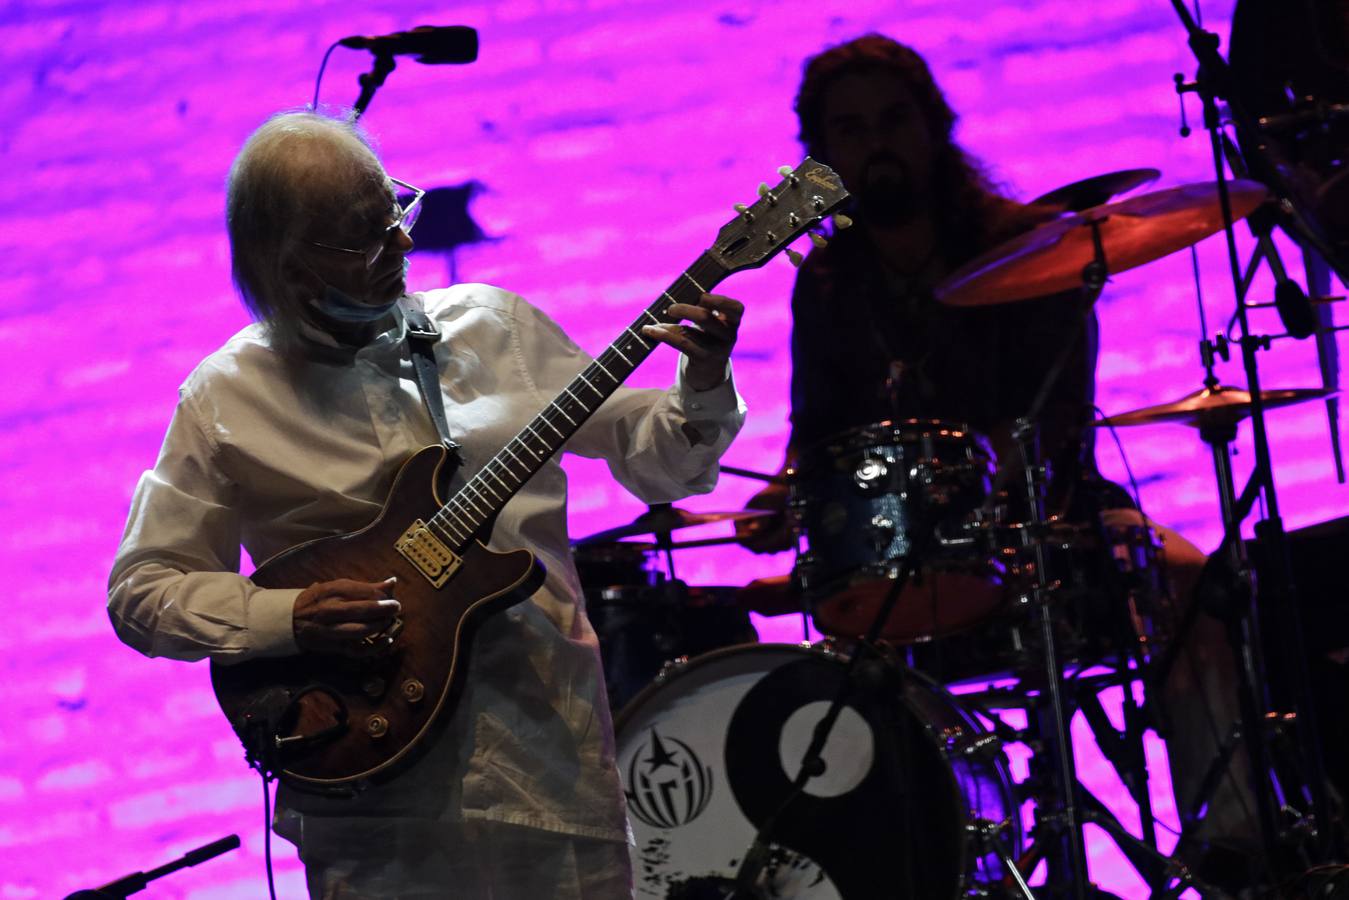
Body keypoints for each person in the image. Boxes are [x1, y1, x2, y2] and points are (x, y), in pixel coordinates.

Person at [107, 110, 747, 898]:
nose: (402, 245)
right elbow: (144, 593)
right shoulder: (225, 399)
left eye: (394, 213)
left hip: (549, 770)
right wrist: (288, 617)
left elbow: (661, 464)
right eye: (362, 238)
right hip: (371, 808)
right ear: (286, 262)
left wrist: (705, 380)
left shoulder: (495, 329)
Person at [738, 33, 1257, 888]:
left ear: (934, 126)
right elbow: (818, 428)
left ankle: (1232, 843)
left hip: (1055, 523)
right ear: (821, 153)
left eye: (893, 120)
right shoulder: (827, 279)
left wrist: (997, 486)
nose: (875, 143)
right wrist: (785, 496)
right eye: (851, 128)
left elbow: (1059, 419)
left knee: (1192, 581)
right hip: (900, 560)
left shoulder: (1027, 246)